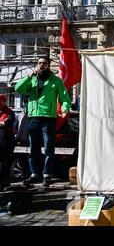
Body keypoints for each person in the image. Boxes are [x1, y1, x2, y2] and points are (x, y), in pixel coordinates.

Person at [15, 56, 72, 187]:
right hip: (34, 117)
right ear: (37, 65)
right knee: (33, 148)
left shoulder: (56, 81)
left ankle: (47, 174)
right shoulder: (32, 80)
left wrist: (64, 109)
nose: (41, 65)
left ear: (48, 65)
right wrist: (28, 77)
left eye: (44, 63)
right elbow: (18, 89)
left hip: (48, 118)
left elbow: (65, 98)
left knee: (48, 148)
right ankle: (34, 174)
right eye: (39, 63)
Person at [0, 94, 15, 191]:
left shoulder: (10, 112)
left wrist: (2, 123)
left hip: (6, 142)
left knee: (5, 163)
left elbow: (6, 124)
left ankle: (5, 183)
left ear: (4, 101)